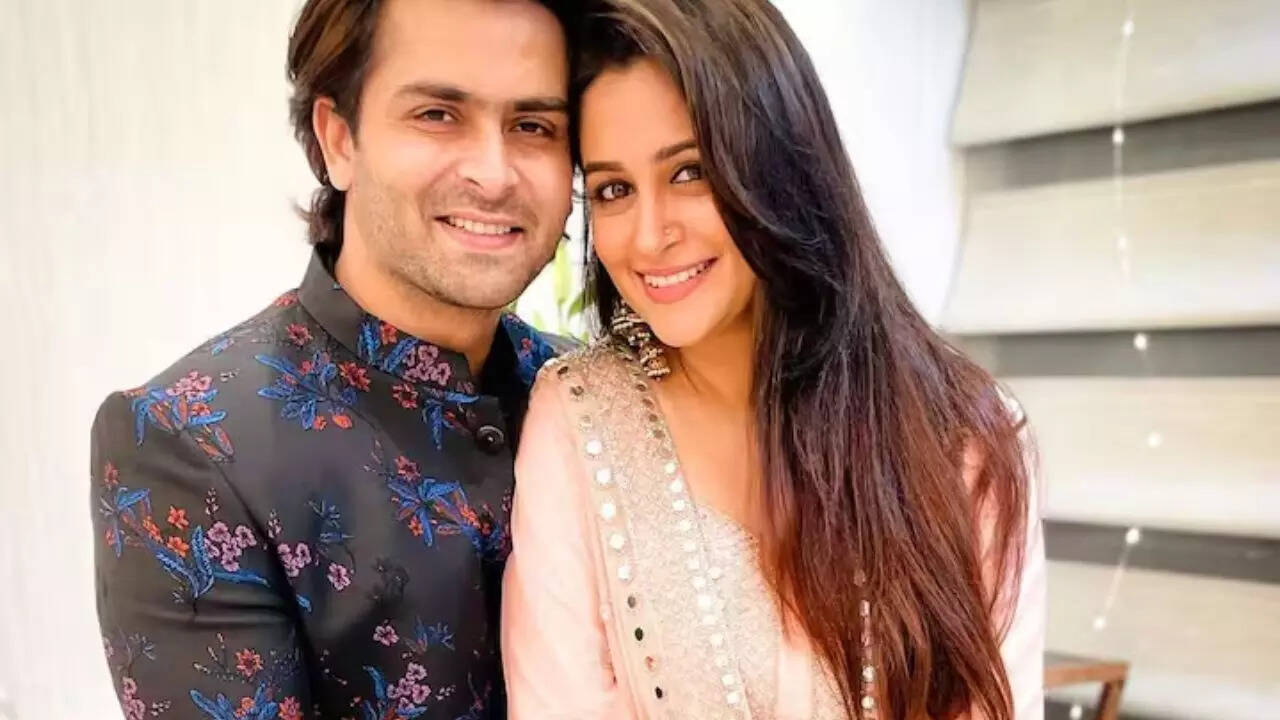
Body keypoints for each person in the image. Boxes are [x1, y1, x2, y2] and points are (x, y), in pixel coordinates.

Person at [500, 0, 1047, 718]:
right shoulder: (580, 419)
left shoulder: (964, 437)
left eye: (690, 172)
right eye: (613, 190)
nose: (649, 235)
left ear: (780, 166)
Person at [89, 0, 575, 717]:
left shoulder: (596, 396)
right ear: (339, 137)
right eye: (437, 114)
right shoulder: (191, 442)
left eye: (533, 126)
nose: (494, 174)